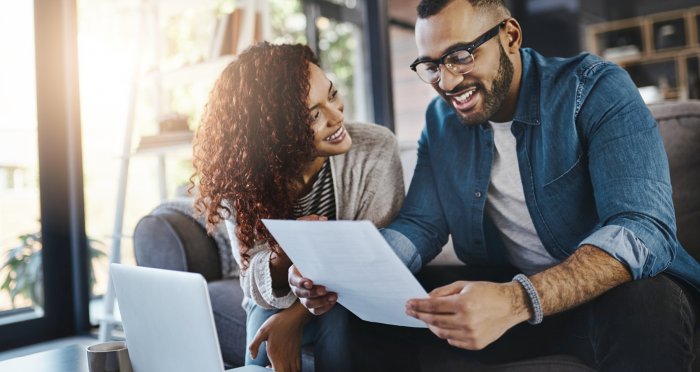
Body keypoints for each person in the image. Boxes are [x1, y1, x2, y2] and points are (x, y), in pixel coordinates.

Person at [288, 1, 700, 371]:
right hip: (508, 289)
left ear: (510, 36)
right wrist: (346, 272)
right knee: (351, 313)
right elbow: (422, 225)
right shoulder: (441, 122)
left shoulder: (594, 89)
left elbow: (644, 228)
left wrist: (518, 299)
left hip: (599, 299)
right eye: (431, 66)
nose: (446, 82)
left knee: (646, 302)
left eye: (461, 56)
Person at [191, 42, 404, 372]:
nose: (337, 117)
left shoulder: (375, 148)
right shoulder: (243, 179)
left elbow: (374, 259)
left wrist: (292, 320)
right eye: (315, 115)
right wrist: (282, 255)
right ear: (275, 133)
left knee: (335, 317)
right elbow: (253, 285)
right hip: (276, 298)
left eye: (332, 95)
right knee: (261, 330)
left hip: (350, 293)